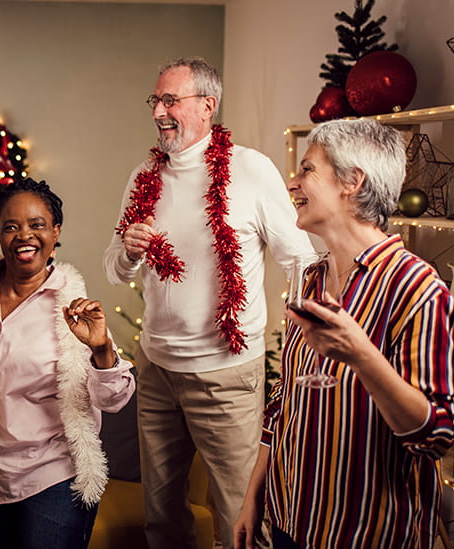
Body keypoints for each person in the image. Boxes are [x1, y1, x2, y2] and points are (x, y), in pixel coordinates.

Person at [103, 57, 315, 549]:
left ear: (207, 105)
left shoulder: (252, 169)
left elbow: (301, 257)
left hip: (227, 376)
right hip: (155, 373)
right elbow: (114, 267)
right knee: (161, 515)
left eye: (170, 100)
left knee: (239, 515)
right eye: (155, 100)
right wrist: (129, 252)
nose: (159, 111)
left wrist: (307, 328)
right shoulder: (143, 178)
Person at [233, 118, 454, 549]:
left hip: (364, 534)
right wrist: (254, 496)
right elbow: (284, 400)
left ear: (352, 182)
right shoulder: (311, 280)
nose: (292, 183)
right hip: (290, 519)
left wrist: (363, 357)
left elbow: (435, 436)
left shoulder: (418, 289)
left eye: (307, 170)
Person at [0, 177, 136, 549]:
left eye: (37, 225)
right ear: (0, 235)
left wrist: (101, 348)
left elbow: (114, 399)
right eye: (11, 226)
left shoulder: (71, 307)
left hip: (50, 482)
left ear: (56, 232)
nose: (24, 235)